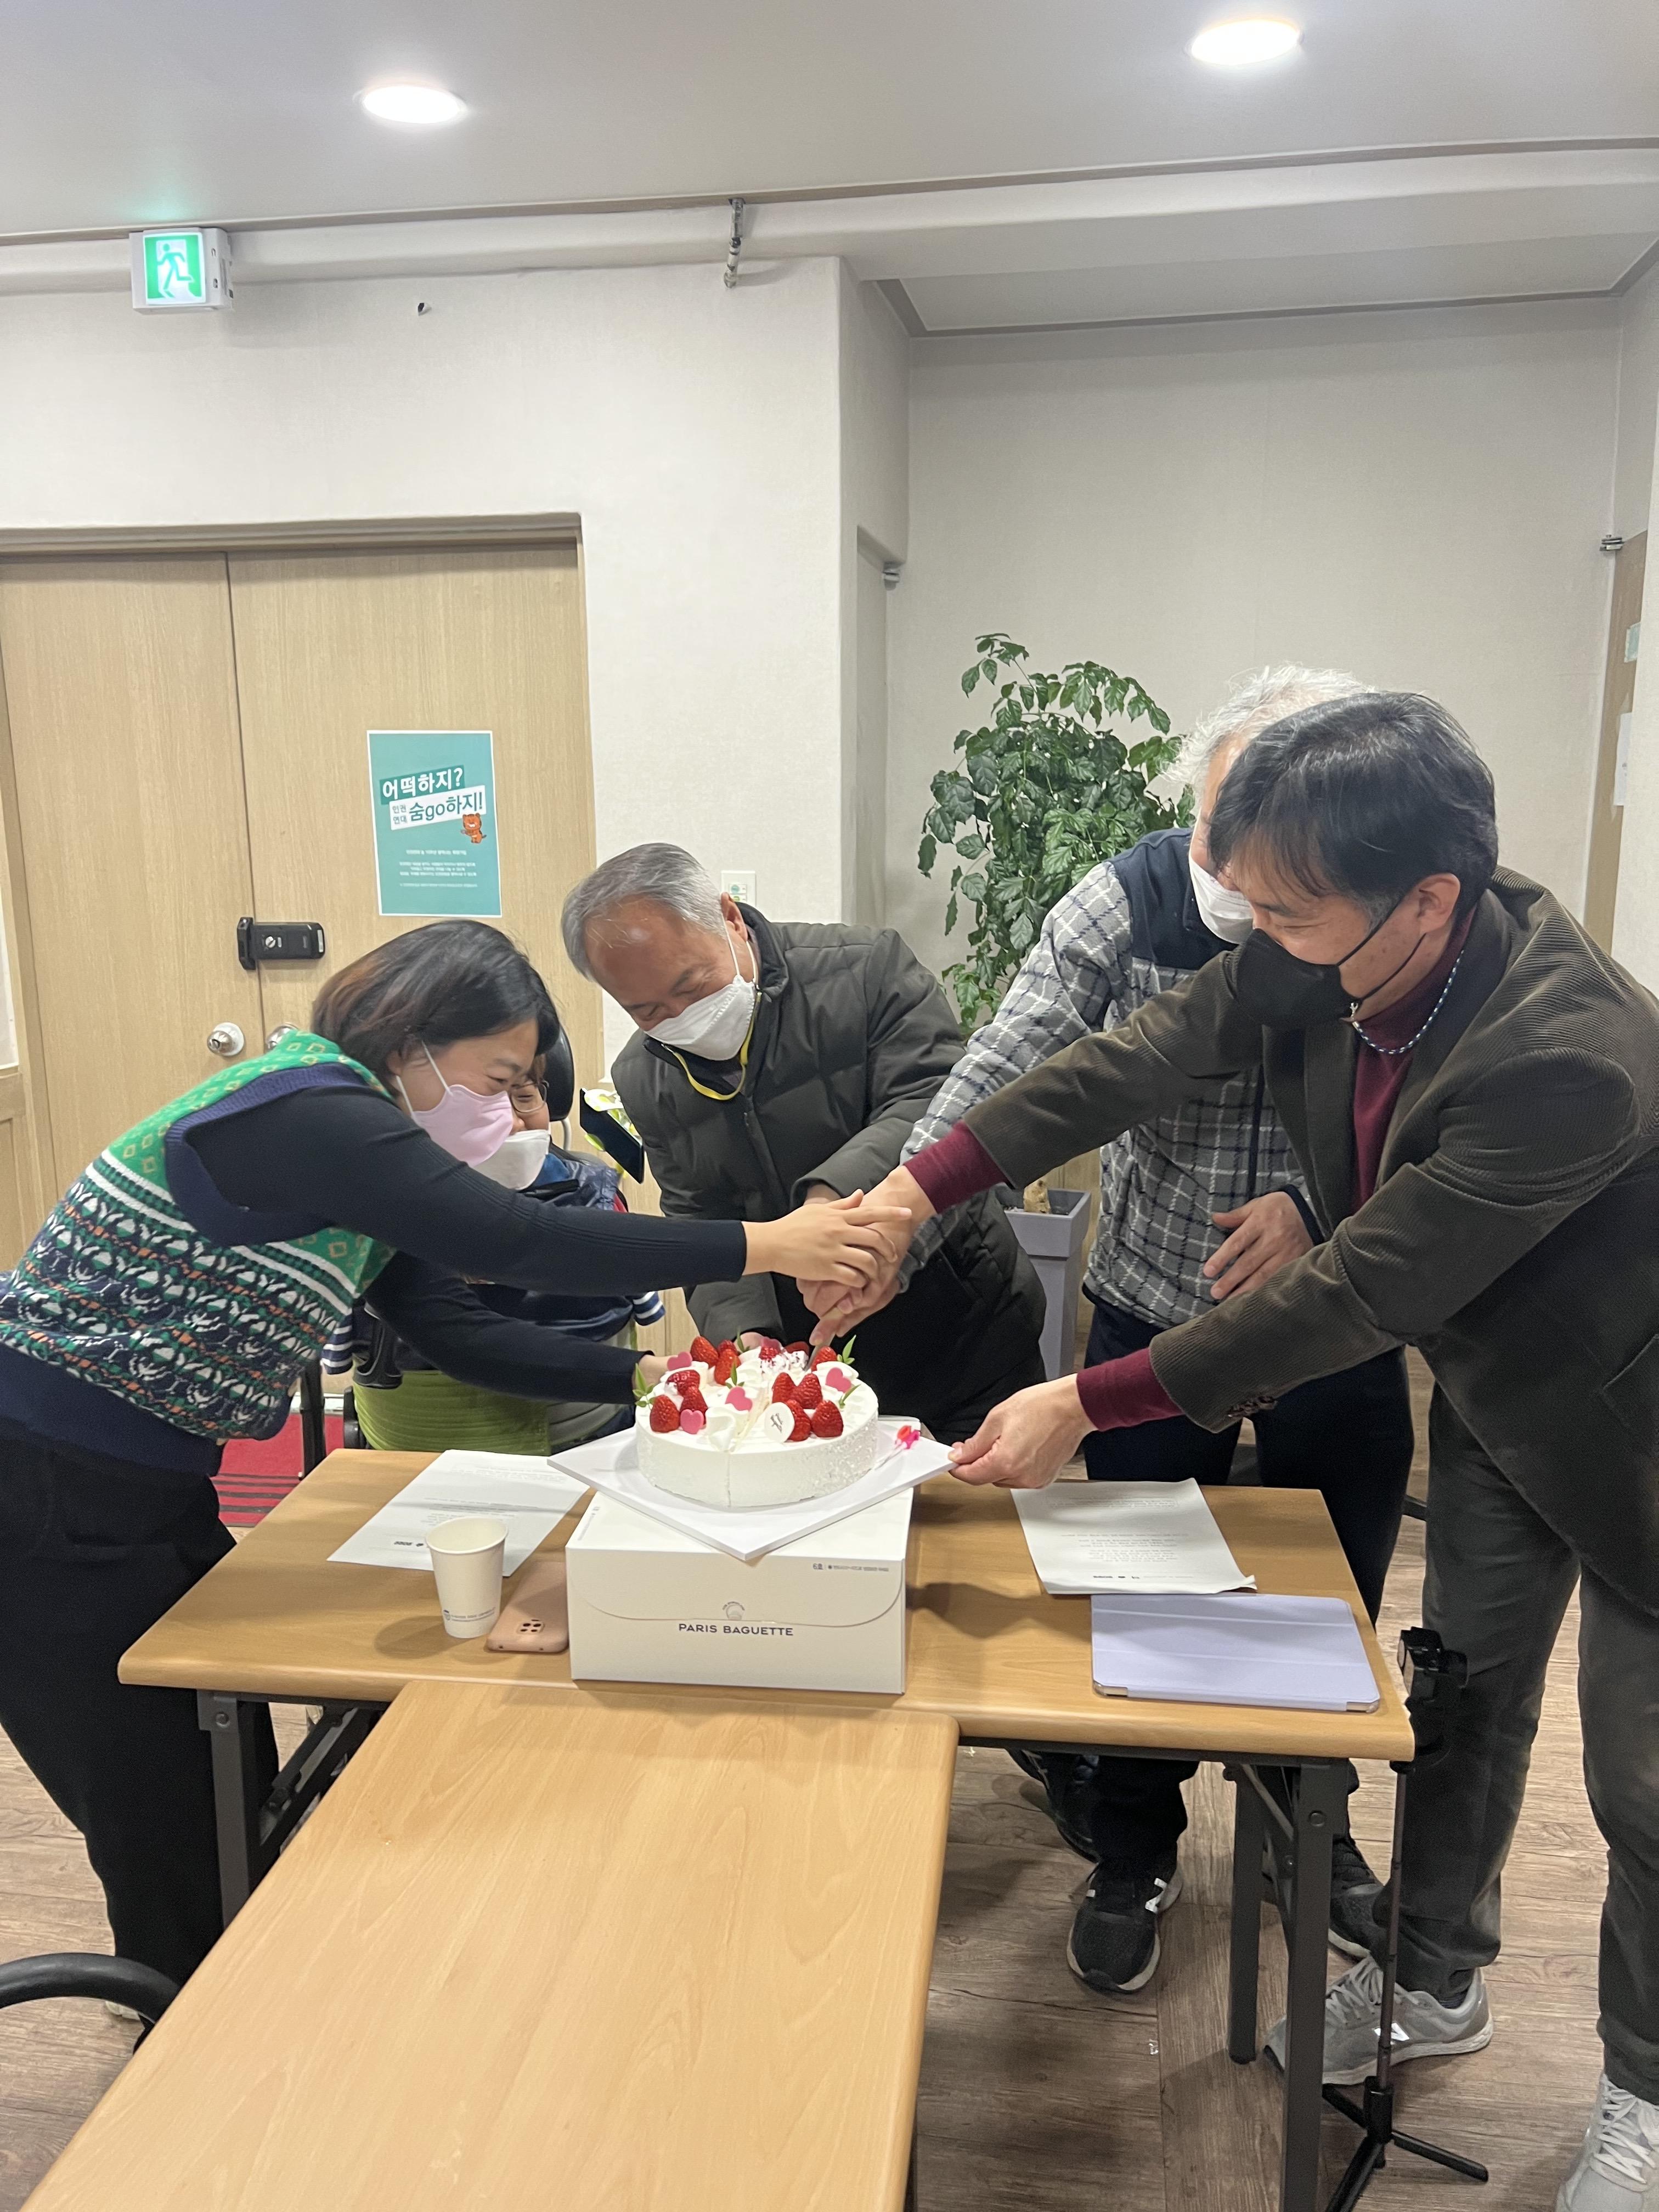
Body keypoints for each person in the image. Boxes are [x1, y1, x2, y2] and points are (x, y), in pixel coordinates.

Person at [831, 693, 1659, 2212]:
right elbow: (1128, 1061)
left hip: (1633, 1426)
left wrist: (1087, 1401)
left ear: (1429, 900)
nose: (1256, 936)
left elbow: (1359, 1291)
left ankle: (1648, 2090)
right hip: (1498, 1394)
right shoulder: (1335, 946)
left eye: (1285, 910)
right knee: (1462, 1697)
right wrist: (915, 1190)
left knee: (1645, 1778)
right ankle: (1432, 1975)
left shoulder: (1569, 1055)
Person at [0, 919, 904, 1989]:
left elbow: (457, 1329)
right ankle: (180, 2028)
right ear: (410, 1041)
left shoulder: (359, 1164)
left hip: (138, 1484)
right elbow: (518, 1241)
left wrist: (644, 1381)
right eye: (499, 1077)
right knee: (162, 1813)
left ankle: (226, 1989)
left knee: (219, 1773)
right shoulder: (306, 1108)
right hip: (41, 1480)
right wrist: (768, 1243)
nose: (512, 1107)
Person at [885, 666, 1414, 1998]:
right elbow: (1017, 1069)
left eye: (1281, 871)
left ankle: (1310, 1830)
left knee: (1325, 1599)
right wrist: (898, 1215)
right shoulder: (1124, 905)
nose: (1241, 884)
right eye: (1220, 841)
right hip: (1151, 1307)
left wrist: (1321, 1205)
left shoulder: (1390, 924)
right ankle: (1133, 1845)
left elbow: (1437, 1125)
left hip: (1335, 1318)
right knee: (1136, 1601)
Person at [559, 844, 1046, 1442]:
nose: (681, 1016)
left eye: (692, 985)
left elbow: (937, 1101)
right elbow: (700, 1214)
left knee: (977, 1495)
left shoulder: (866, 969)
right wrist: (747, 1337)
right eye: (647, 1010)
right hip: (809, 1367)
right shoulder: (644, 1076)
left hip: (965, 1328)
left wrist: (827, 1204)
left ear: (730, 919)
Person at [349, 1059, 658, 1455]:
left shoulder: (595, 1194)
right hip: (419, 1433)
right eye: (479, 1105)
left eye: (525, 1097)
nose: (511, 1123)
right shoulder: (369, 1202)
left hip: (579, 1428)